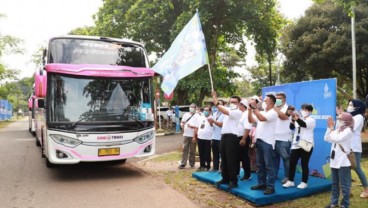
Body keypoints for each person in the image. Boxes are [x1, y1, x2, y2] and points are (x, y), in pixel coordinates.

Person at [248, 94, 278, 195]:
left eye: (266, 101)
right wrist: (249, 110)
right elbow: (251, 120)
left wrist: (255, 108)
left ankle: (271, 187)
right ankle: (262, 184)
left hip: (268, 142)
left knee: (269, 166)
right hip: (259, 140)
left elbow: (261, 118)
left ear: (272, 103)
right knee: (260, 165)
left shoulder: (273, 113)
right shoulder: (261, 112)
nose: (263, 102)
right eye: (264, 100)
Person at [212, 91, 242, 189]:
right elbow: (221, 108)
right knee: (224, 159)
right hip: (224, 136)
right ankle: (225, 178)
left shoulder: (237, 112)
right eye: (231, 101)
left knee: (231, 160)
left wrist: (216, 101)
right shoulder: (228, 110)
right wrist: (215, 98)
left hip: (232, 137)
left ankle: (233, 181)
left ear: (238, 103)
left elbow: (223, 110)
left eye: (235, 102)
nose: (232, 103)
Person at [324, 113, 354, 208]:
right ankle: (334, 202)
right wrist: (329, 128)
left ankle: (345, 204)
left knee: (344, 185)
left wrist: (332, 129)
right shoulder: (338, 129)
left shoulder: (348, 131)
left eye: (341, 119)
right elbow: (327, 138)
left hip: (343, 161)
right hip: (334, 160)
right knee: (334, 183)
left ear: (346, 120)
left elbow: (337, 139)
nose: (338, 120)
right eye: (338, 118)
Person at [283, 104, 316, 189]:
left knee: (304, 164)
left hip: (306, 144)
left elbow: (303, 125)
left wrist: (296, 118)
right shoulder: (299, 119)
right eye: (302, 109)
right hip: (296, 144)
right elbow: (292, 127)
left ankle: (304, 182)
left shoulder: (311, 120)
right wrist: (293, 120)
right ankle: (290, 181)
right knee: (292, 162)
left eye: (306, 109)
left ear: (310, 111)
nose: (303, 111)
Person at [345, 99, 368, 198]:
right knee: (346, 168)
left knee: (357, 168)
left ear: (357, 107)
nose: (349, 106)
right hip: (347, 146)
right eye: (349, 104)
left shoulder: (359, 117)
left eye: (351, 105)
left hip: (355, 147)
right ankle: (348, 190)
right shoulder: (352, 116)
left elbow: (351, 127)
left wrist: (343, 118)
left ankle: (366, 189)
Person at [273, 92, 293, 184]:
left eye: (279, 98)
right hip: (273, 137)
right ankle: (274, 174)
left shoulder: (289, 108)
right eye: (276, 98)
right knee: (274, 158)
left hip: (284, 138)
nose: (277, 100)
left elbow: (284, 117)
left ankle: (287, 176)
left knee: (286, 158)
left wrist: (274, 108)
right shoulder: (274, 108)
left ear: (284, 99)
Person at [178, 103, 200, 169]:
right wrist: (181, 125)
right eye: (190, 107)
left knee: (192, 151)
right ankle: (183, 163)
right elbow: (182, 122)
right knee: (185, 149)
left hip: (193, 135)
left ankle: (192, 163)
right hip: (186, 135)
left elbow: (197, 126)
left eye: (193, 107)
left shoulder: (197, 116)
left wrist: (191, 127)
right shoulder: (185, 114)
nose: (191, 108)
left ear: (195, 108)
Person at [236, 99, 252, 181]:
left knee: (244, 157)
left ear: (244, 106)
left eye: (241, 104)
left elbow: (247, 128)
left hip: (243, 137)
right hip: (237, 137)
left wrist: (244, 139)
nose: (239, 106)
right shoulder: (240, 114)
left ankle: (247, 174)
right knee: (237, 156)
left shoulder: (246, 114)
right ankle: (237, 172)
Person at [194, 105, 213, 171]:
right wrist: (195, 136)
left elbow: (214, 127)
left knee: (207, 153)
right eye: (204, 110)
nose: (205, 111)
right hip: (200, 138)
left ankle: (208, 166)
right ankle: (202, 165)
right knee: (201, 153)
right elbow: (196, 127)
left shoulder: (212, 118)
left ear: (210, 111)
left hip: (208, 138)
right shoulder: (200, 118)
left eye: (207, 110)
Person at [208, 100, 225, 172]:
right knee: (215, 154)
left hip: (221, 137)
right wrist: (210, 123)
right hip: (214, 137)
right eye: (217, 104)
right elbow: (213, 125)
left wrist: (214, 121)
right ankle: (215, 167)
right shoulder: (214, 114)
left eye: (220, 104)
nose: (218, 106)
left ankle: (222, 168)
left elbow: (222, 124)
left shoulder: (225, 114)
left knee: (222, 154)